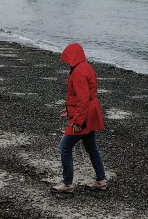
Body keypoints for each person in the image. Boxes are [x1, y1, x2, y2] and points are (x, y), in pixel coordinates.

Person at [51, 43, 107, 194]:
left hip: (84, 116)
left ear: (73, 57)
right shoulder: (86, 66)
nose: (67, 62)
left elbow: (83, 99)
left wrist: (77, 122)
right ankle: (101, 180)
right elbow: (86, 96)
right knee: (91, 147)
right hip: (90, 112)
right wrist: (69, 110)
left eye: (68, 58)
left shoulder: (78, 73)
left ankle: (67, 184)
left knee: (64, 147)